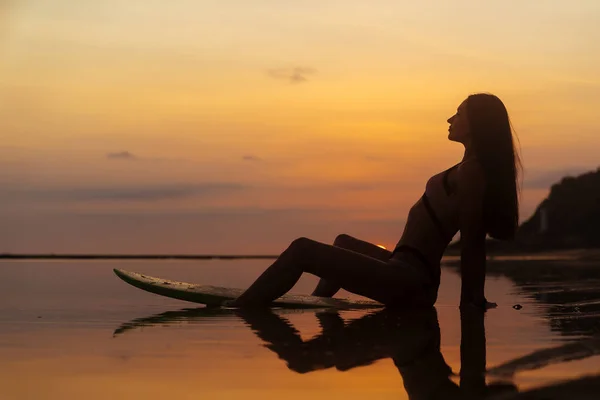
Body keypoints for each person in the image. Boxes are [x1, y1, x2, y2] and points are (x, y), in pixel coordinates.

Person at [231, 93, 521, 310]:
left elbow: (473, 241)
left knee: (301, 249)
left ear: (477, 123)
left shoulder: (472, 172)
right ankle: (318, 306)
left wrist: (471, 302)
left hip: (409, 279)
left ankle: (242, 308)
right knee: (343, 241)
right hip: (402, 267)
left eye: (458, 113)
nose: (450, 119)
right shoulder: (466, 168)